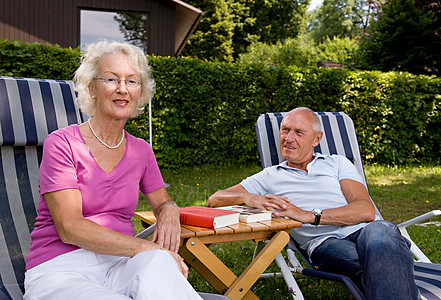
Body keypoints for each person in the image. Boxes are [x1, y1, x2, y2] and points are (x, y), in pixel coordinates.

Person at [24, 41, 202, 300]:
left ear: (140, 92)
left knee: (158, 264)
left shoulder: (140, 150)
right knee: (156, 257)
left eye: (132, 81)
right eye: (111, 79)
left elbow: (163, 201)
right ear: (91, 88)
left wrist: (171, 211)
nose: (122, 89)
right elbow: (70, 227)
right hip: (61, 267)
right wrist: (148, 248)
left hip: (119, 263)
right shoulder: (63, 143)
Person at [208, 107, 420, 300]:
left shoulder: (337, 163)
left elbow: (365, 211)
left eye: (298, 133)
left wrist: (309, 215)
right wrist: (247, 197)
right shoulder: (270, 176)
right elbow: (215, 199)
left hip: (369, 231)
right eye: (285, 130)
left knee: (382, 235)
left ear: (316, 139)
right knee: (386, 260)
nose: (288, 138)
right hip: (325, 242)